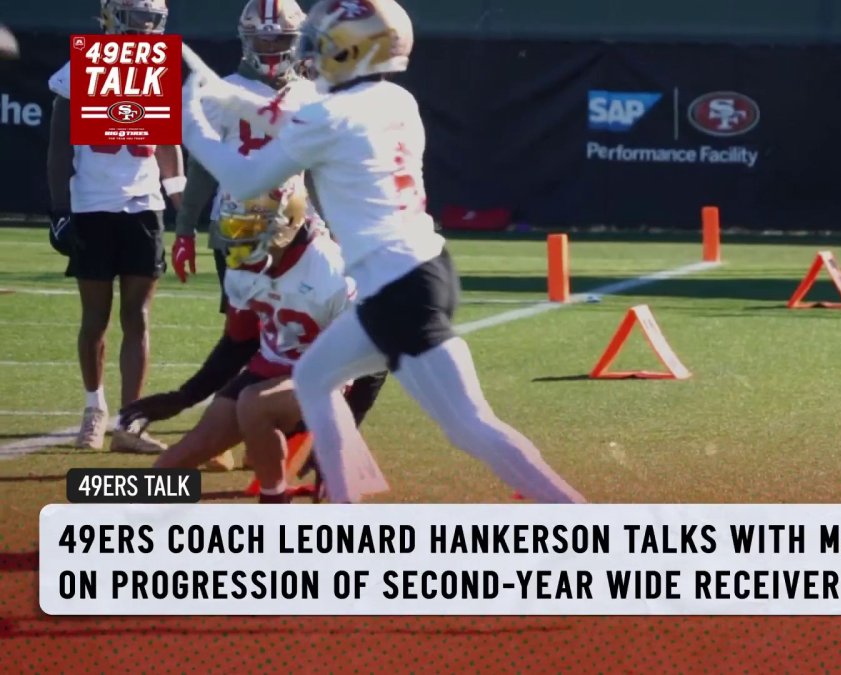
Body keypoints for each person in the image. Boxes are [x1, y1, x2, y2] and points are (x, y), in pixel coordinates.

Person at [178, 0, 585, 504]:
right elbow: (287, 118)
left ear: (355, 50)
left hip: (397, 284)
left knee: (471, 426)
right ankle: (343, 507)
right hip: (417, 271)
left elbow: (244, 177)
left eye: (326, 44)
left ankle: (579, 517)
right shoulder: (395, 100)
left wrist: (190, 120)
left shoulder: (330, 114)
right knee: (313, 377)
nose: (314, 55)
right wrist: (226, 101)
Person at [122, 178, 375, 502]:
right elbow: (238, 343)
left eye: (255, 227)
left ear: (289, 223)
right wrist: (183, 397)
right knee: (173, 464)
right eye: (240, 226)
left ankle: (273, 502)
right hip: (271, 369)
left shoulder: (329, 271)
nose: (245, 239)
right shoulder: (244, 264)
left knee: (254, 402)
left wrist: (337, 440)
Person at [46, 0, 185, 453]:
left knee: (137, 317)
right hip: (92, 205)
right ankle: (94, 408)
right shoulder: (82, 67)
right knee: (95, 318)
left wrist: (180, 201)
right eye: (138, 19)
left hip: (144, 205)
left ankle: (130, 422)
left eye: (152, 21)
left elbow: (167, 144)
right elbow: (59, 148)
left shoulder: (156, 69)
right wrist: (60, 208)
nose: (145, 30)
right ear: (113, 17)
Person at [172, 0, 306, 310]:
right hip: (237, 225)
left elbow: (318, 174)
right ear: (247, 39)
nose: (271, 47)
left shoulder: (309, 93)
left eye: (280, 38)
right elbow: (203, 168)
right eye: (263, 38)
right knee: (245, 329)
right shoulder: (222, 91)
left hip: (298, 226)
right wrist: (185, 229)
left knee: (296, 327)